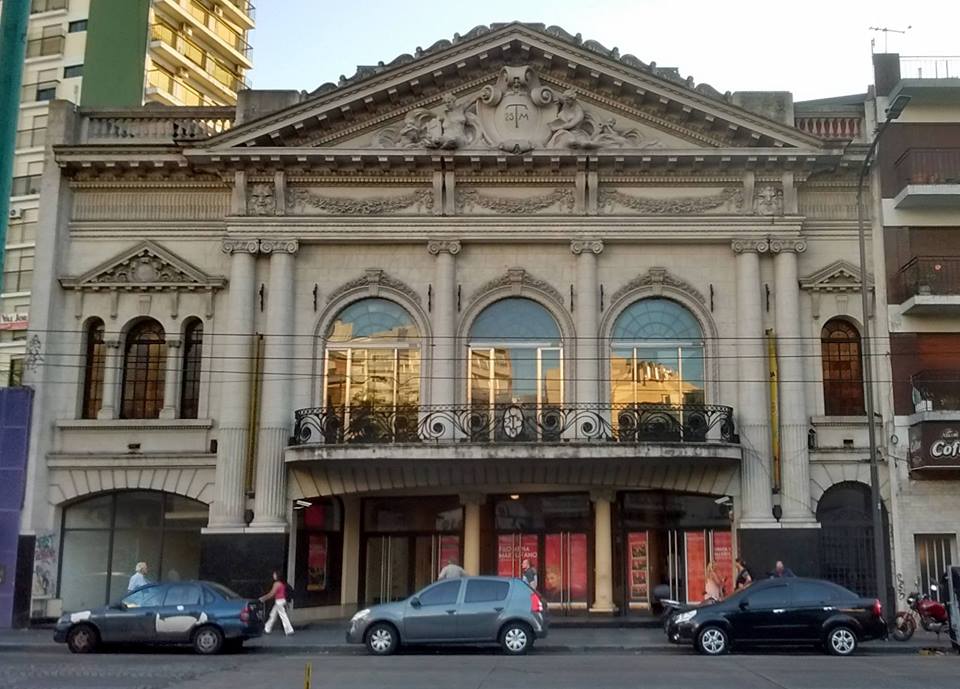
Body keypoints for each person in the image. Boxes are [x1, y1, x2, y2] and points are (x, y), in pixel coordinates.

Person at [260, 570, 294, 636]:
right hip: (282, 600)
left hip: (279, 601)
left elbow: (271, 594)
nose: (273, 576)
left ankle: (289, 630)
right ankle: (267, 628)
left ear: (277, 576)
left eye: (274, 574)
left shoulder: (277, 584)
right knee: (273, 614)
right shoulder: (282, 583)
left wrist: (263, 598)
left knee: (283, 615)